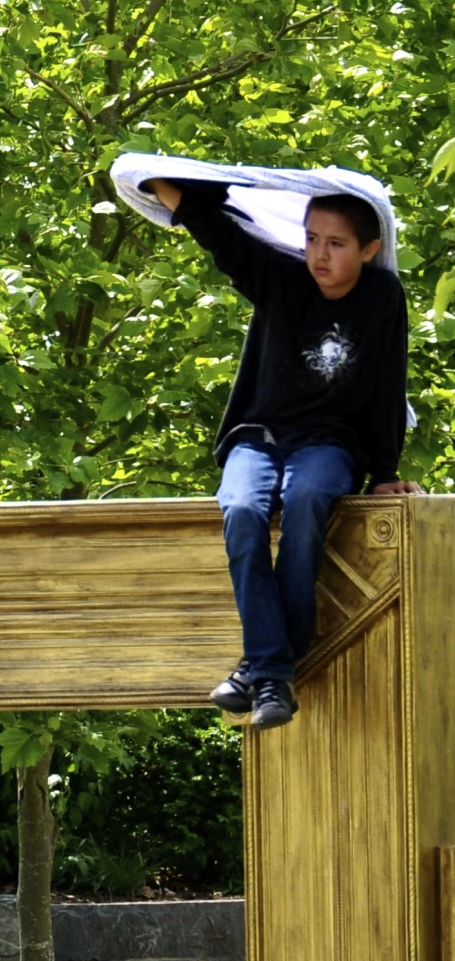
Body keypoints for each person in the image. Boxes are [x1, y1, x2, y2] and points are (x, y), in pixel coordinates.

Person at [146, 177, 421, 729]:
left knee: (308, 499)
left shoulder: (382, 298)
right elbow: (220, 237)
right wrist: (156, 181)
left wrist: (385, 471)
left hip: (330, 442)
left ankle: (264, 668)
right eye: (312, 237)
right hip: (259, 435)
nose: (319, 254)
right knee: (243, 510)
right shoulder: (280, 279)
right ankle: (273, 675)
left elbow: (389, 383)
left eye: (336, 243)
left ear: (369, 250)